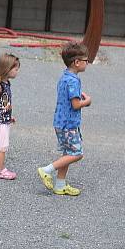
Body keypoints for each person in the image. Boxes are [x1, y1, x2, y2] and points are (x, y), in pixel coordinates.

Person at [37, 42, 92, 196]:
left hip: (60, 122)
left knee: (68, 153)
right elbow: (75, 105)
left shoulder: (65, 76)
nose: (87, 63)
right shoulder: (73, 80)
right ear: (77, 62)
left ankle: (60, 185)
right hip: (68, 124)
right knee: (77, 153)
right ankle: (46, 170)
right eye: (86, 60)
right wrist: (87, 102)